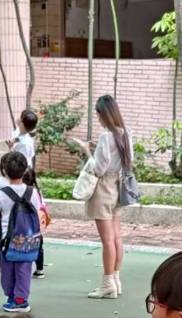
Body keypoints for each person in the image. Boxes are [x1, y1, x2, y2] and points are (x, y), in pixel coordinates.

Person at [79, 95, 132, 299]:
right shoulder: (125, 134)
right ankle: (115, 279)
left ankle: (107, 283)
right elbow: (129, 161)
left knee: (107, 240)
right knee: (117, 237)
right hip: (119, 187)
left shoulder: (106, 137)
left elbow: (99, 168)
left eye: (98, 114)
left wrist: (86, 152)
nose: (98, 118)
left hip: (104, 188)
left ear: (104, 114)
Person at [0, 152, 43, 314]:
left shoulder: (1, 194)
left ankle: (12, 297)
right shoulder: (32, 192)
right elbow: (38, 211)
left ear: (4, 171)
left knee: (7, 271)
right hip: (29, 240)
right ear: (25, 169)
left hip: (7, 241)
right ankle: (21, 299)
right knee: (24, 270)